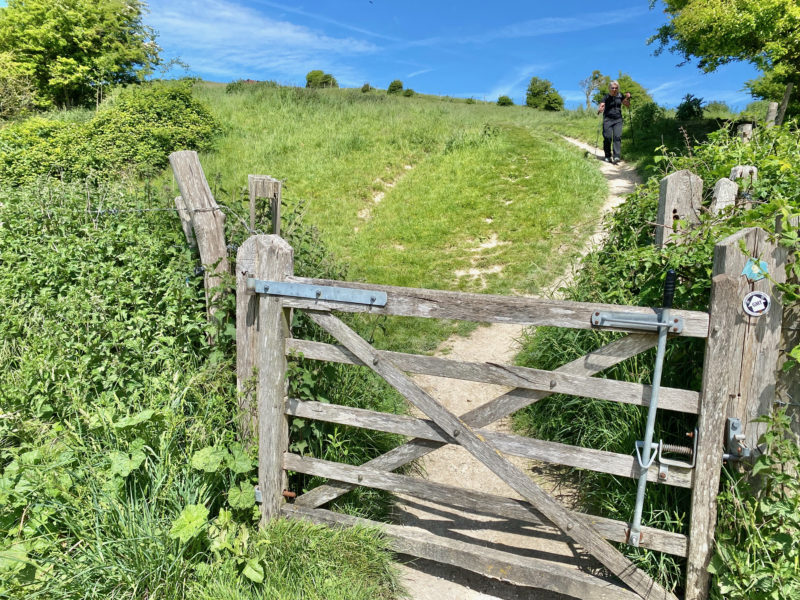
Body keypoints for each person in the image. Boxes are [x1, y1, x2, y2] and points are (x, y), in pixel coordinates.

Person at [597, 81, 630, 164]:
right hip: (607, 119)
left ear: (618, 88)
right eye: (612, 88)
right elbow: (601, 105)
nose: (614, 89)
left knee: (617, 136)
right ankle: (607, 156)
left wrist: (627, 98)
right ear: (609, 88)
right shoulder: (606, 97)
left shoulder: (620, 96)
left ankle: (616, 156)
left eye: (616, 88)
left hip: (618, 119)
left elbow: (627, 105)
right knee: (607, 137)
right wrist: (600, 109)